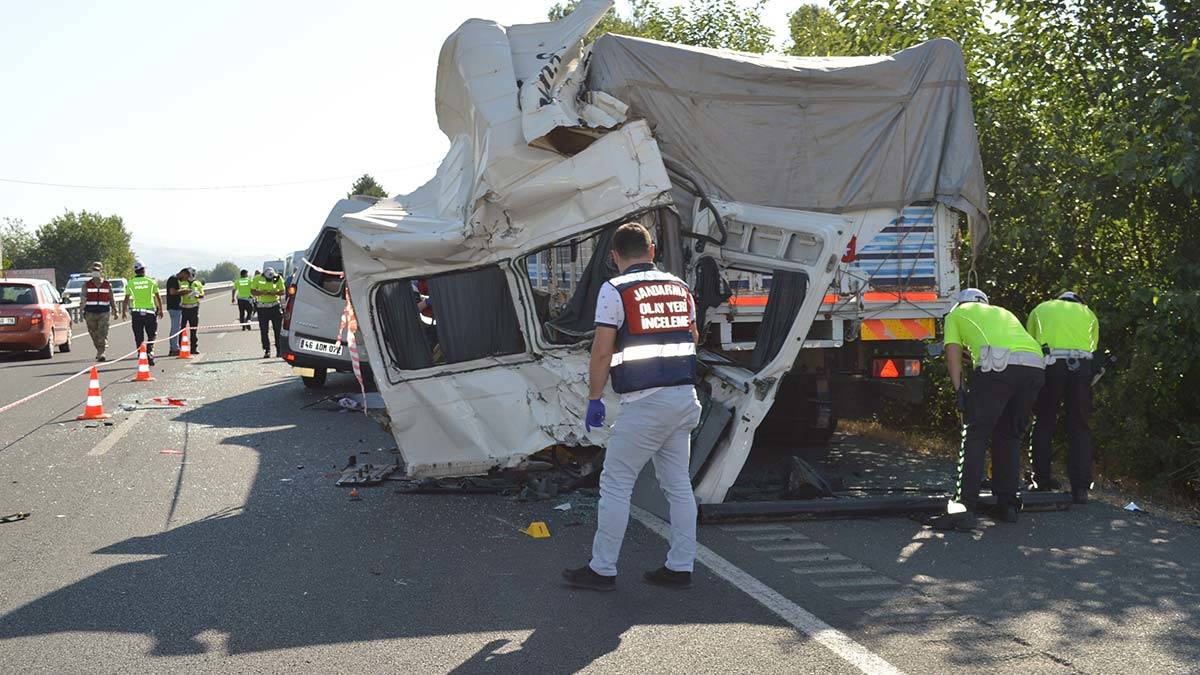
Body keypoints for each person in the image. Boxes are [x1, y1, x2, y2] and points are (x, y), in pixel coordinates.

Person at [562, 222, 702, 591]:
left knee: (616, 483)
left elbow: (602, 350)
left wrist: (594, 398)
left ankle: (602, 569)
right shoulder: (680, 286)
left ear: (614, 257)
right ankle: (681, 566)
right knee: (678, 485)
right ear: (652, 250)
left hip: (645, 403)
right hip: (684, 397)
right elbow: (693, 338)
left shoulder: (615, 289)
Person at [928, 288, 1046, 531]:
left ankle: (963, 508)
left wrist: (959, 392)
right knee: (1009, 436)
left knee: (975, 435)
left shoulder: (956, 313)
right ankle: (1008, 505)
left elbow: (953, 355)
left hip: (998, 366)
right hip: (1034, 367)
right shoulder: (1003, 312)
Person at [1027, 291, 1100, 504]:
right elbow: (1093, 346)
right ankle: (1080, 489)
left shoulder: (1041, 308)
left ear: (1058, 299)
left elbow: (1031, 342)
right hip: (1082, 367)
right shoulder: (1089, 313)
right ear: (1079, 301)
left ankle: (1041, 478)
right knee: (1079, 426)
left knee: (1044, 421)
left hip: (1050, 365)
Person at [123, 261, 163, 365]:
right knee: (151, 335)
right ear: (143, 270)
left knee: (138, 336)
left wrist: (123, 311)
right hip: (149, 312)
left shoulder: (131, 282)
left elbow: (126, 298)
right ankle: (149, 353)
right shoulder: (151, 281)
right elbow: (158, 296)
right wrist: (161, 309)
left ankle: (141, 354)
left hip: (136, 313)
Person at [80, 261, 118, 362]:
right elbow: (83, 297)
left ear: (101, 271)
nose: (95, 272)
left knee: (102, 332)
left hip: (104, 313)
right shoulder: (86, 285)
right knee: (94, 334)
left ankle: (101, 352)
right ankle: (99, 350)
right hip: (90, 313)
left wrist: (115, 310)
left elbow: (111, 298)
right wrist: (81, 309)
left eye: (97, 270)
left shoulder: (106, 284)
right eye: (94, 270)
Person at [252, 267, 285, 359]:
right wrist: (262, 293)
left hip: (275, 307)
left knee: (278, 330)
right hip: (262, 308)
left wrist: (274, 293)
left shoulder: (278, 278)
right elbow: (252, 291)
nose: (270, 280)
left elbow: (283, 291)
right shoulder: (257, 279)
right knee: (264, 330)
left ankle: (279, 350)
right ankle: (267, 350)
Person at [179, 268, 204, 355]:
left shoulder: (197, 283)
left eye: (190, 274)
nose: (189, 276)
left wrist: (197, 295)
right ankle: (181, 348)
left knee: (193, 329)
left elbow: (202, 295)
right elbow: (178, 293)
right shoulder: (182, 282)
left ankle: (194, 348)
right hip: (184, 308)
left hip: (194, 308)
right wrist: (185, 292)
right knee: (182, 329)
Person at [165, 268, 188, 355]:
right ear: (183, 273)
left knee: (175, 327)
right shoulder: (173, 279)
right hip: (174, 307)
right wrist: (184, 291)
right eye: (186, 276)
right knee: (175, 328)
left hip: (175, 307)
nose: (186, 279)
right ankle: (175, 348)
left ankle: (173, 347)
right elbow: (172, 292)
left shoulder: (175, 279)